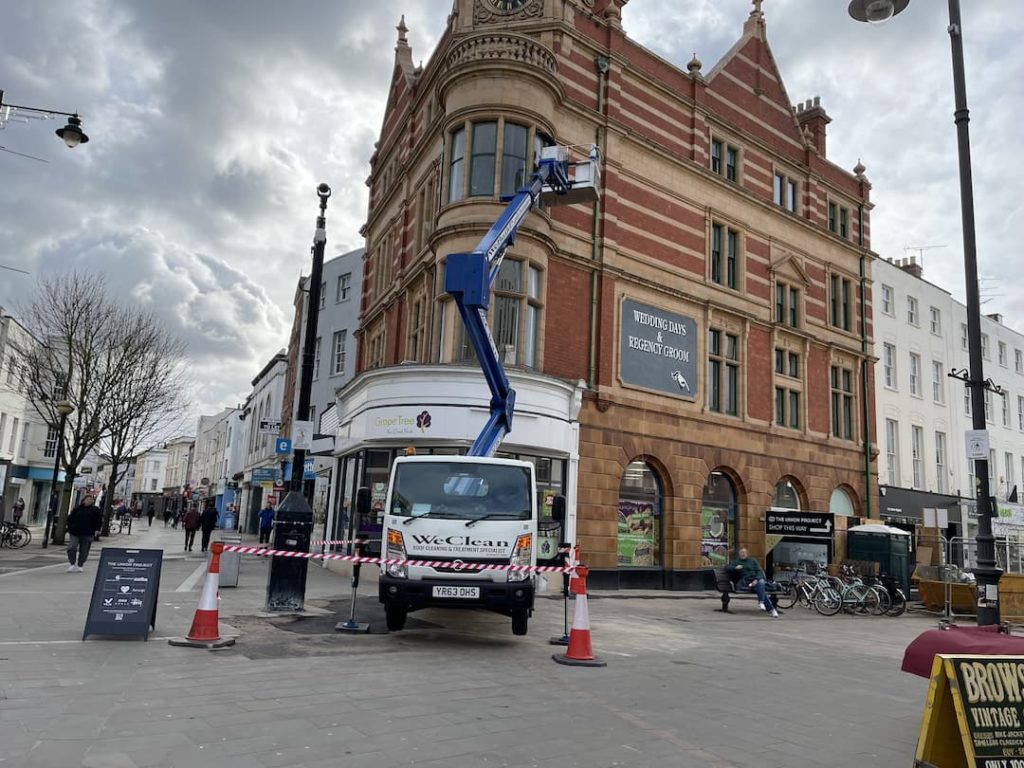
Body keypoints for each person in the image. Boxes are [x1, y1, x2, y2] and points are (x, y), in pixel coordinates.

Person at [728, 547, 779, 617]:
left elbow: (759, 571)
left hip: (755, 582)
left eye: (744, 552)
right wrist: (735, 567)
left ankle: (762, 602)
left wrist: (756, 579)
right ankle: (771, 609)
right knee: (761, 589)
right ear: (739, 554)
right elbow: (727, 567)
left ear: (747, 554)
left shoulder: (753, 561)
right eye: (741, 553)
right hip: (746, 583)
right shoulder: (736, 561)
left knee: (760, 582)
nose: (742, 554)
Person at [66, 494, 102, 572]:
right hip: (75, 532)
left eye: (91, 500)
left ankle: (80, 564)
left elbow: (98, 521)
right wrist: (70, 527)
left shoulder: (95, 510)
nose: (89, 501)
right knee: (71, 547)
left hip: (88, 533)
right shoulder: (77, 509)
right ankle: (72, 563)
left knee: (84, 550)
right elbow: (70, 518)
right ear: (84, 500)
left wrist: (97, 529)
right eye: (88, 499)